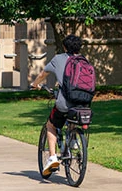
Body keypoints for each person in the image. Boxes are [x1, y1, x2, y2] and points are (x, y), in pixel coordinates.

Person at [29, 34, 83, 177]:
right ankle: (73, 141)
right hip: (83, 103)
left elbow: (42, 74)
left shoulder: (58, 59)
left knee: (51, 125)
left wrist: (35, 85)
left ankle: (53, 158)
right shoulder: (84, 61)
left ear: (65, 47)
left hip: (64, 102)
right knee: (73, 117)